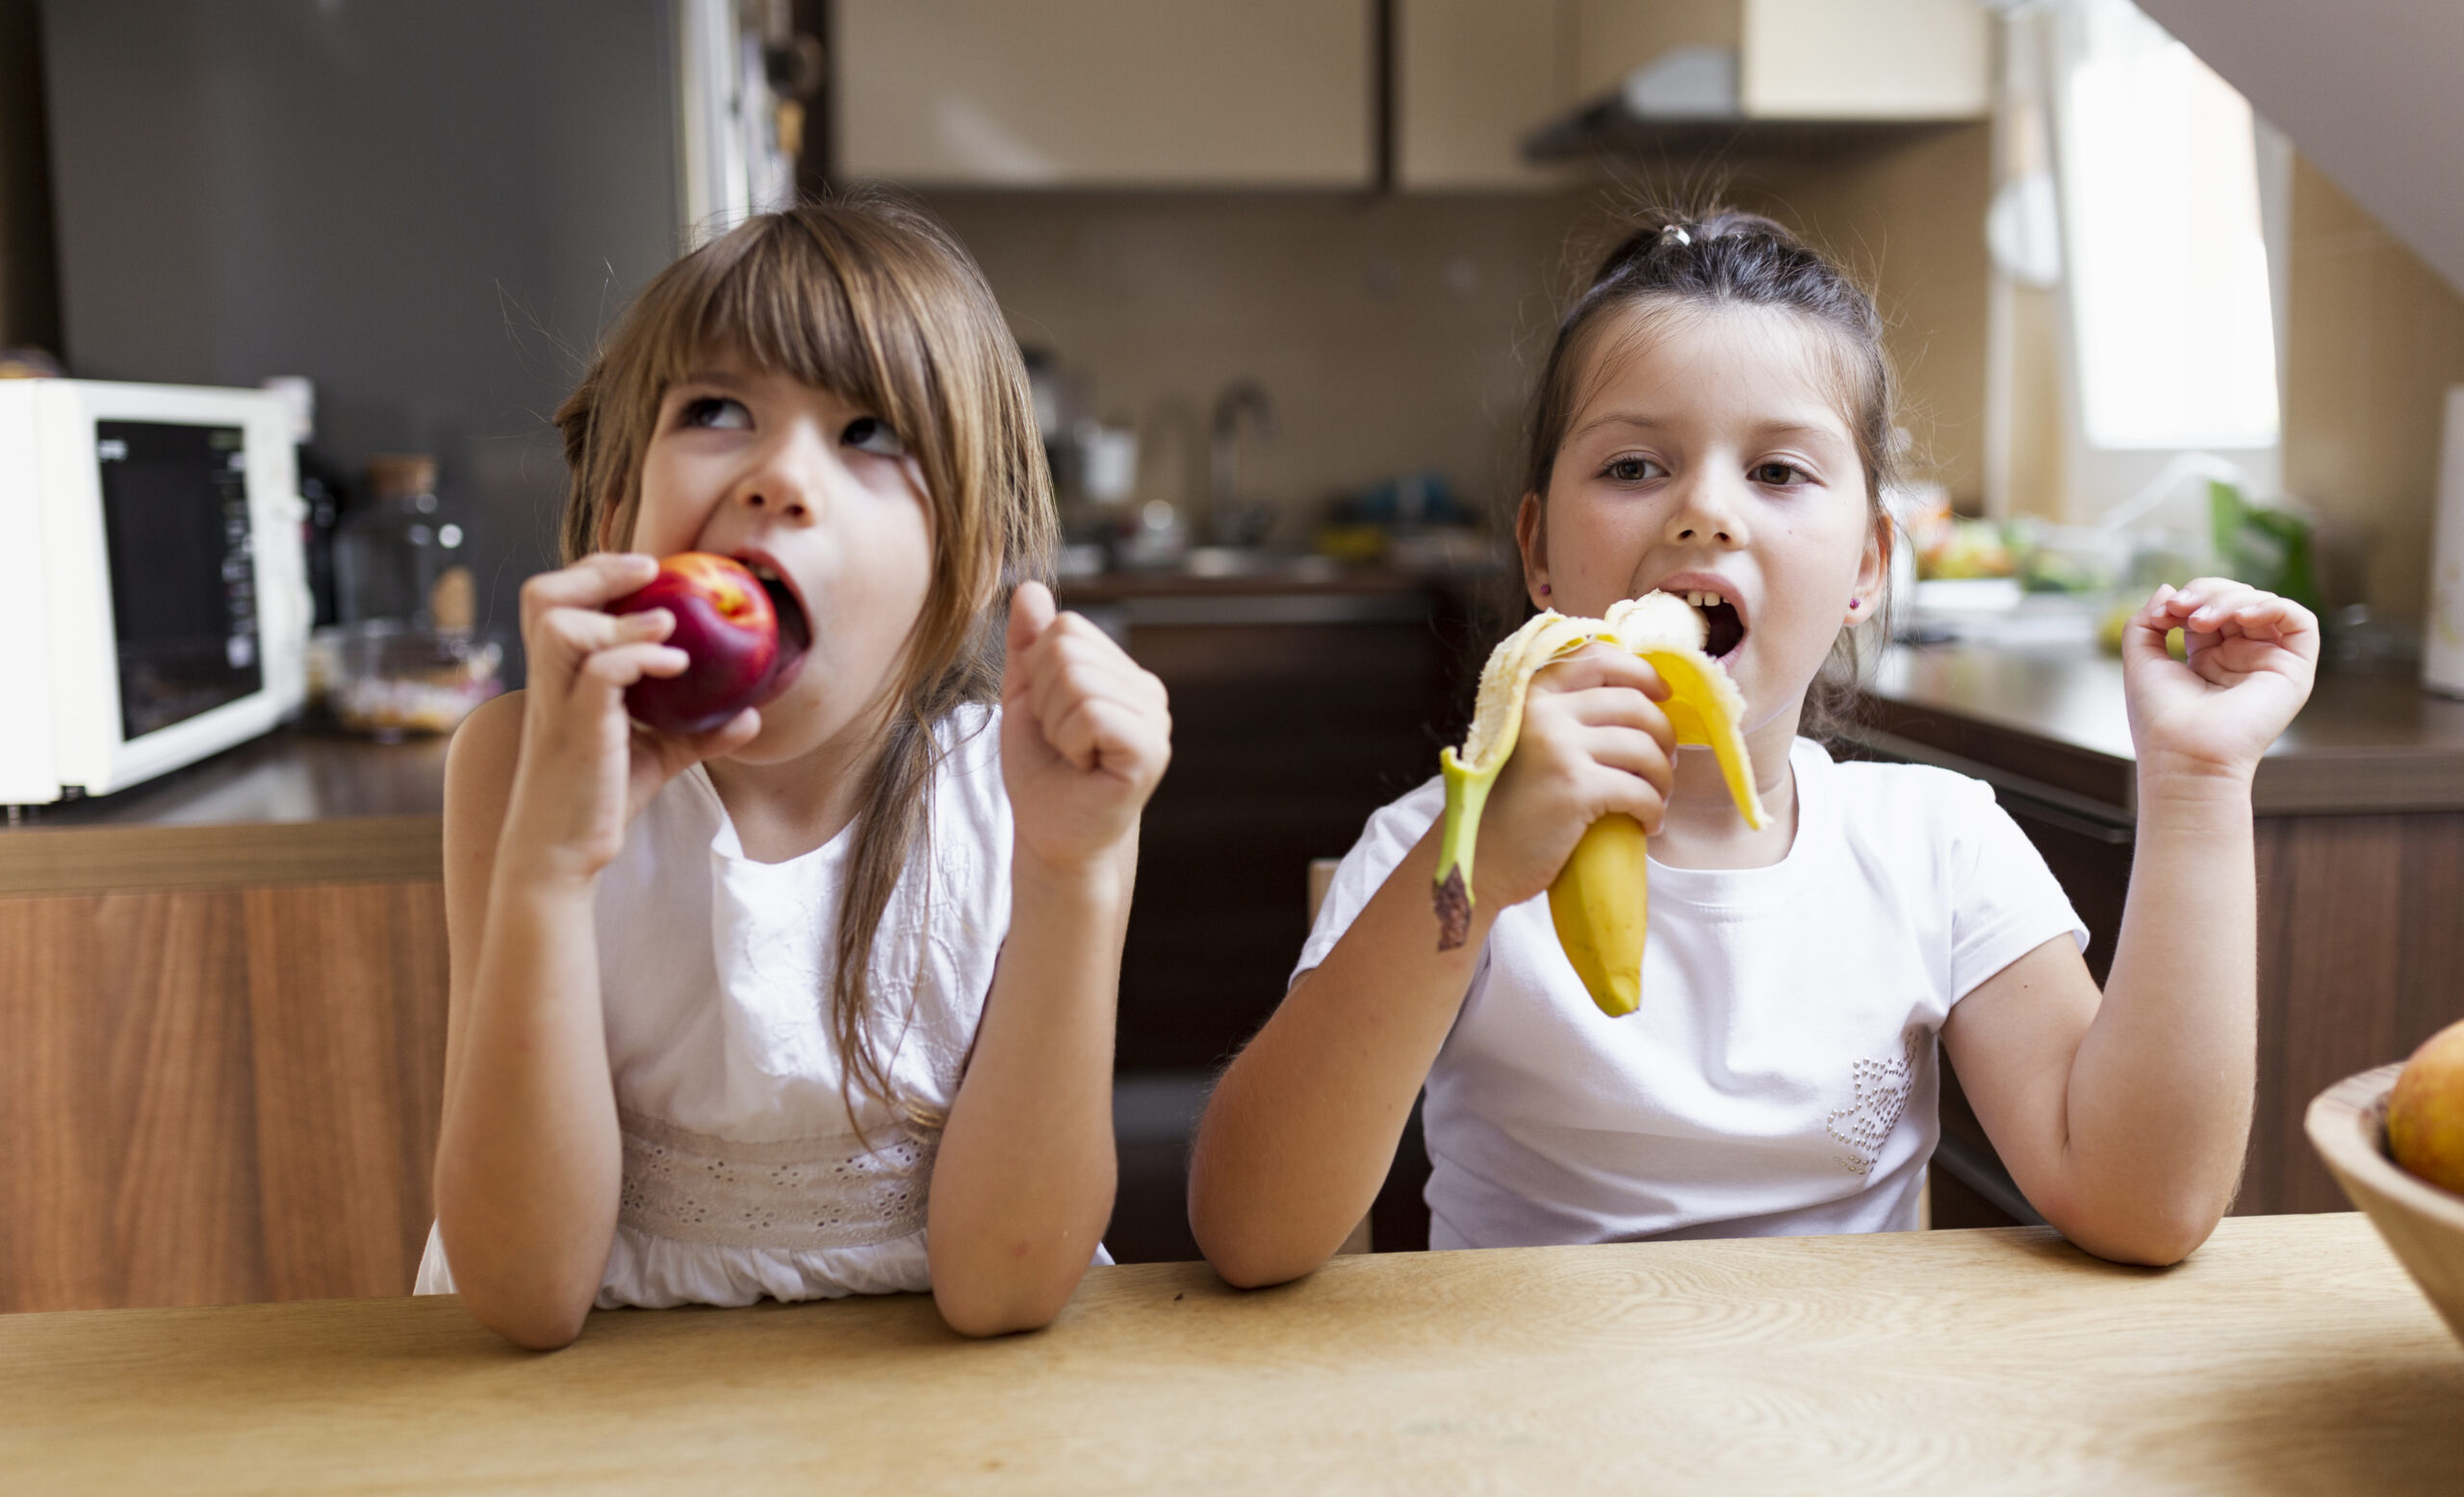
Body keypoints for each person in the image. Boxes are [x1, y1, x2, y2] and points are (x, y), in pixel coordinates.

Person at [1189, 211, 2317, 1284]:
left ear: (1870, 565)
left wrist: (2198, 782)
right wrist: (1473, 875)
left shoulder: (1937, 849)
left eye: (1777, 472)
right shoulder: (1434, 851)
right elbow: (1250, 1233)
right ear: (1539, 555)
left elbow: (2143, 1205)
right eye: (1634, 467)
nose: (1704, 513)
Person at [420, 202, 1171, 1348]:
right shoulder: (519, 765)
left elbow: (1004, 1292)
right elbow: (526, 1297)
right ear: (618, 512)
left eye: (870, 432)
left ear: (963, 561)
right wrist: (549, 868)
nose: (779, 477)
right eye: (716, 412)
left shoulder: (1017, 796)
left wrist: (1079, 872)